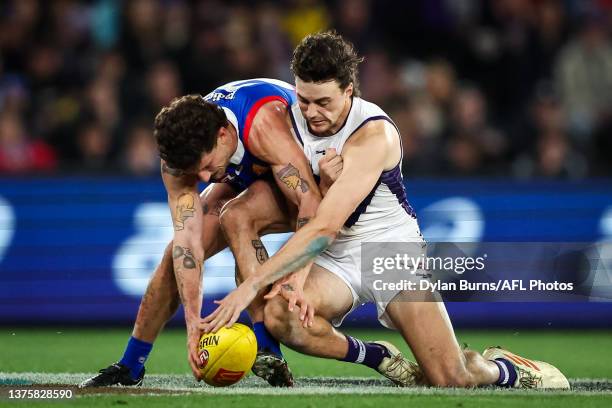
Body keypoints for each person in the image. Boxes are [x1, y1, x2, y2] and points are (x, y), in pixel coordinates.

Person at [201, 32, 570, 389]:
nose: (311, 113)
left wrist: (253, 285)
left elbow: (325, 225)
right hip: (334, 253)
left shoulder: (373, 134)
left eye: (323, 102)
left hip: (388, 250)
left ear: (348, 91)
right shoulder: (286, 122)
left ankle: (503, 369)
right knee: (283, 315)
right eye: (304, 100)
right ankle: (379, 356)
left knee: (452, 378)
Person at [80, 78, 323, 388]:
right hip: (250, 171)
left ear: (223, 134)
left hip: (314, 178)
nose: (206, 178)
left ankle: (266, 346)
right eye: (197, 172)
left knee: (237, 215)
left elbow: (310, 202)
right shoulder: (178, 160)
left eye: (206, 166)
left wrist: (297, 277)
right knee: (173, 256)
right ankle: (131, 365)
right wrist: (192, 321)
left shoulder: (264, 125)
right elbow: (188, 243)